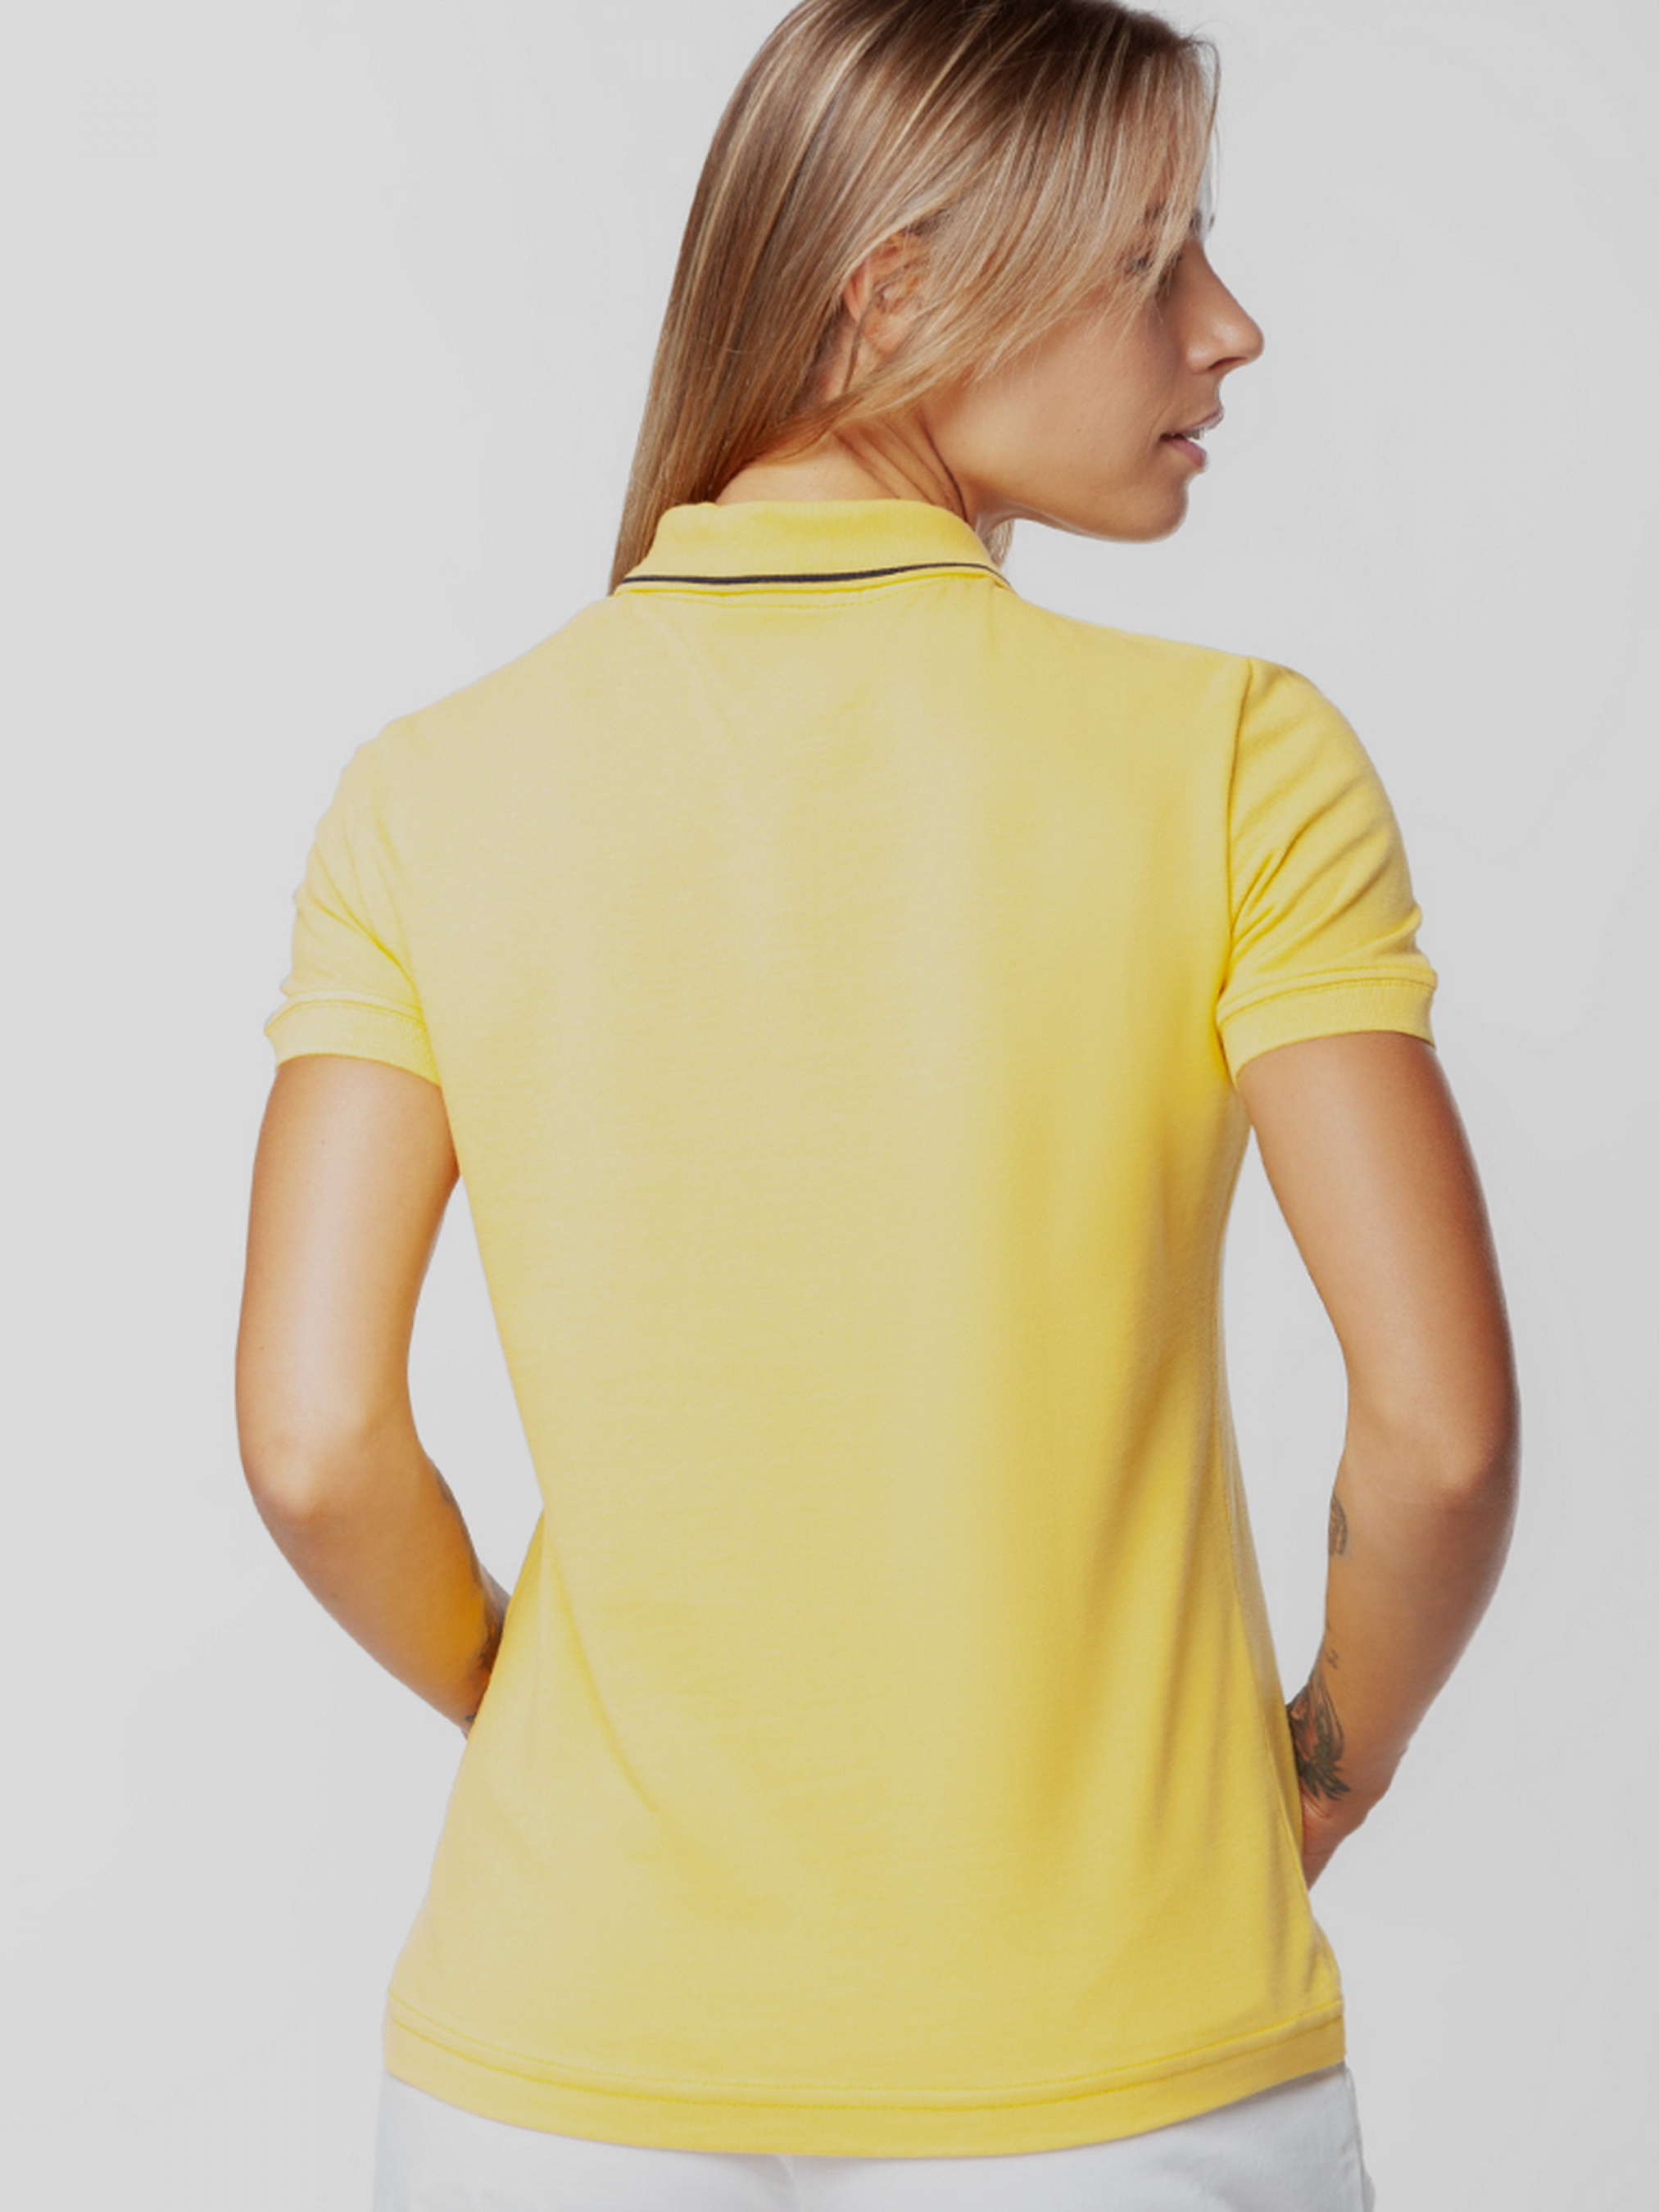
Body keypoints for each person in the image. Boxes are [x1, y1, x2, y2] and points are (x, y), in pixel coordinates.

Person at [235, 2, 1521, 2205]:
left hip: (546, 2071)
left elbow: (313, 1442)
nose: (1226, 327)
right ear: (897, 288)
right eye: (1151, 260)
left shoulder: (425, 795)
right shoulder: (1233, 757)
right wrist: (1330, 1763)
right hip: (1116, 2070)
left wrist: (543, 1722)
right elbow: (1440, 1433)